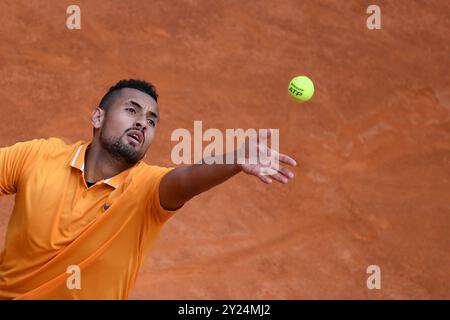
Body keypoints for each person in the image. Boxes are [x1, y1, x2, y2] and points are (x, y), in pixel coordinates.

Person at [0, 79, 296, 299]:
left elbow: (186, 179)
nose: (143, 122)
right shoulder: (38, 157)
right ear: (98, 117)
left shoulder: (146, 189)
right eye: (132, 110)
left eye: (152, 121)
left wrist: (232, 160)